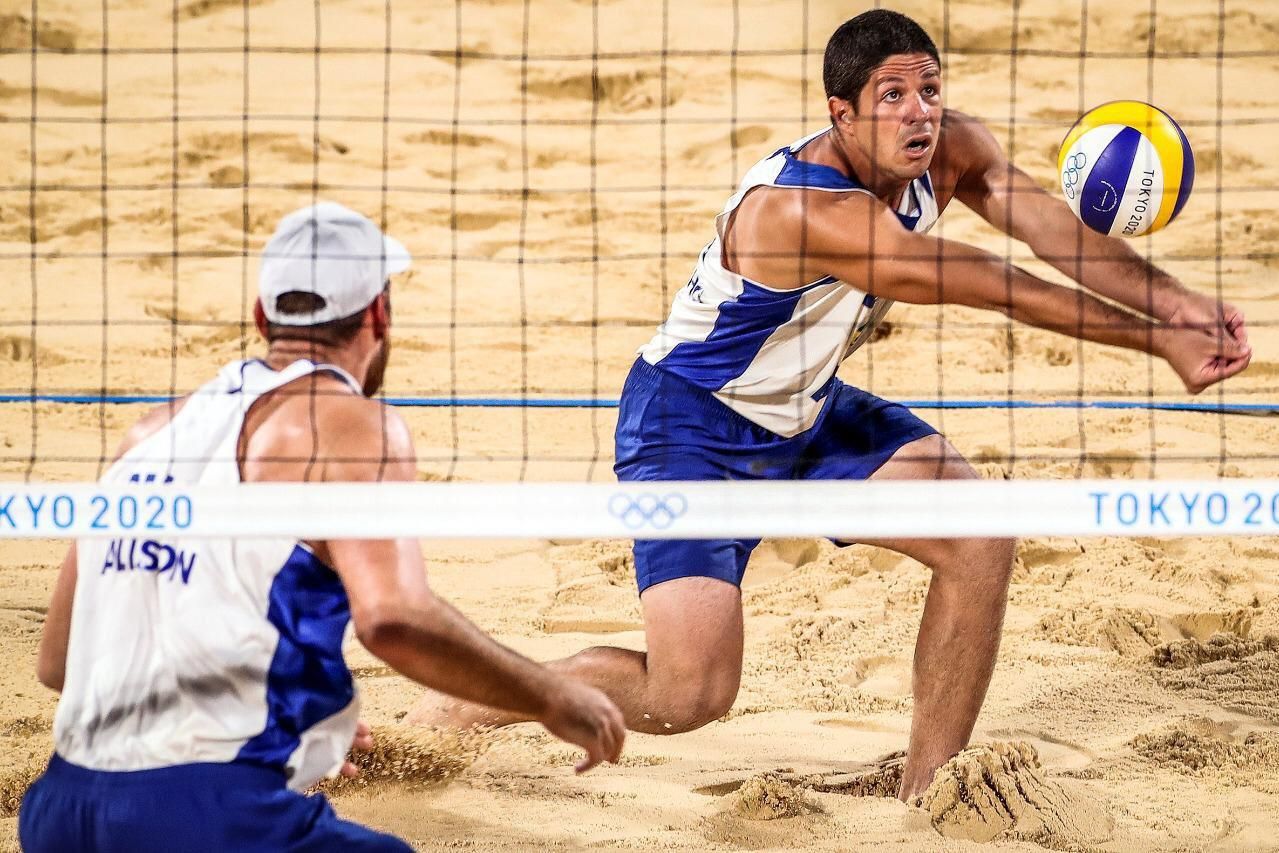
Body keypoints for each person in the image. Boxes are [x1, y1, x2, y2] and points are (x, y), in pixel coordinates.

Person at [409, 9, 1251, 801]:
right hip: (689, 425)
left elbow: (1055, 235)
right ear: (841, 114)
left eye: (928, 88)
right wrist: (1155, 341)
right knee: (686, 693)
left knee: (978, 531)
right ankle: (468, 704)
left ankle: (933, 790)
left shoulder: (950, 150)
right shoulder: (805, 210)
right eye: (891, 96)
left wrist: (1175, 303)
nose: (918, 112)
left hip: (805, 410)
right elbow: (983, 282)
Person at [19, 202, 626, 852]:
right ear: (379, 315)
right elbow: (395, 619)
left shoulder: (147, 435)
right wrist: (551, 695)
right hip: (209, 814)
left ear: (262, 317)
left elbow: (59, 661)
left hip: (60, 810)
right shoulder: (349, 423)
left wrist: (301, 725)